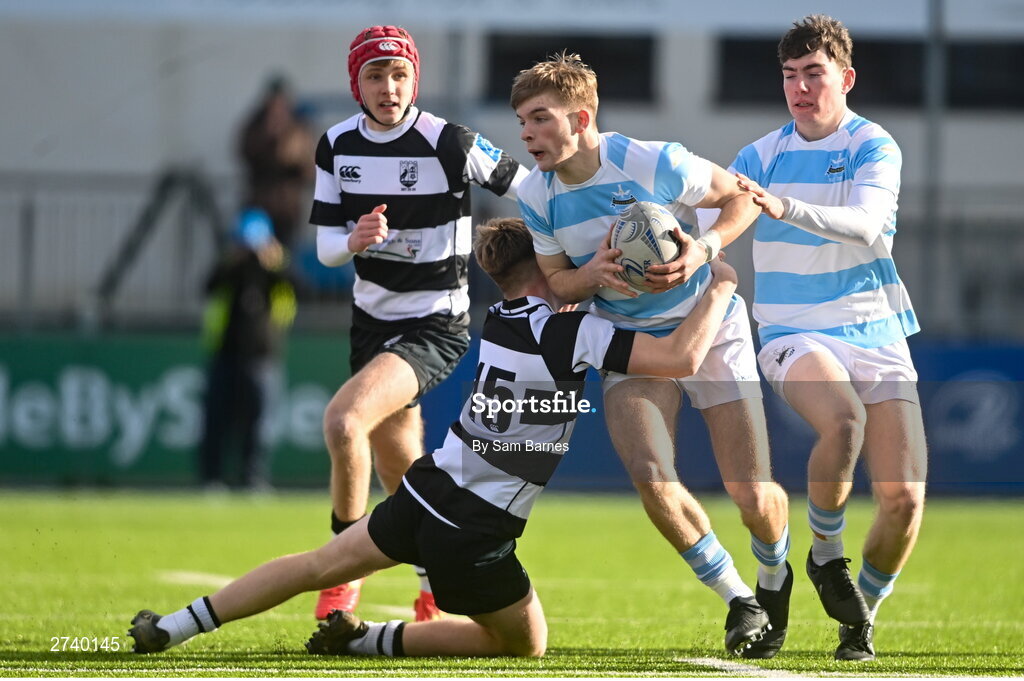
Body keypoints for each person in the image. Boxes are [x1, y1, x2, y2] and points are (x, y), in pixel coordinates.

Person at [127, 217, 744, 657]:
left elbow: (556, 295)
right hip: (475, 528)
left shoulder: (500, 321)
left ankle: (175, 626)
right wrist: (718, 287)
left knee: (316, 564)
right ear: (545, 265)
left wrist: (585, 277)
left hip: (430, 490)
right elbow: (682, 358)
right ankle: (370, 642)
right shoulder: (572, 333)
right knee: (525, 645)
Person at [511, 53, 792, 658]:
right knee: (651, 475)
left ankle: (773, 576)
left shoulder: (652, 159)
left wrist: (703, 250)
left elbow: (741, 198)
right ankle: (741, 600)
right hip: (627, 340)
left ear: (580, 117)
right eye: (521, 122)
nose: (526, 134)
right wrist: (591, 274)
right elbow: (557, 283)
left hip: (708, 324)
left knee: (751, 494)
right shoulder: (536, 194)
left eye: (539, 119)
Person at [704, 15, 927, 661]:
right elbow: (706, 215)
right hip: (792, 331)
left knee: (905, 500)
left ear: (845, 78)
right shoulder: (758, 157)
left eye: (814, 74)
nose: (800, 88)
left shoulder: (873, 145)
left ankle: (860, 615)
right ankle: (826, 554)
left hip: (876, 330)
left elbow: (864, 224)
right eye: (789, 76)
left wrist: (783, 206)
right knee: (844, 421)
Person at [310, 25, 528, 622]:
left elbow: (527, 188)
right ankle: (434, 590)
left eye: (399, 74)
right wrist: (352, 239)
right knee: (400, 467)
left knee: (343, 422)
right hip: (371, 323)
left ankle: (339, 579)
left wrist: (563, 259)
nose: (388, 87)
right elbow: (328, 244)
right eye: (375, 76)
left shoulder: (448, 141)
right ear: (356, 84)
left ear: (415, 80)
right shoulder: (335, 144)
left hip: (436, 323)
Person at [197, 208, 296, 491]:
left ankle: (253, 479)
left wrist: (274, 264)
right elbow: (208, 287)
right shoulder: (228, 267)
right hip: (225, 355)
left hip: (263, 357)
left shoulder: (277, 271)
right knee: (217, 419)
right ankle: (211, 479)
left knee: (260, 424)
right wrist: (233, 260)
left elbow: (300, 288)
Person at [238, 75, 315, 250]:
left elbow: (303, 162)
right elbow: (246, 152)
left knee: (284, 258)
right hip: (258, 208)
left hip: (287, 210)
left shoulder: (297, 126)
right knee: (255, 255)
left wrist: (283, 136)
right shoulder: (256, 125)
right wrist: (269, 134)